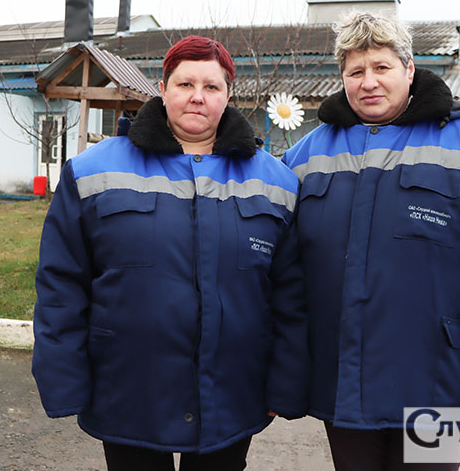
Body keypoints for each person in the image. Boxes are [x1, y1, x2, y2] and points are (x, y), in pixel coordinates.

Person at [32, 35, 309, 471]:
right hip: (129, 389)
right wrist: (63, 378)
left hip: (234, 391)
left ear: (228, 95)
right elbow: (61, 283)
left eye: (212, 86)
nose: (198, 97)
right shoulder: (92, 171)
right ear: (163, 90)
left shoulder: (277, 182)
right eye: (185, 84)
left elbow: (291, 295)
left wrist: (285, 382)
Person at [282, 12, 460, 470]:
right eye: (355, 71)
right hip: (344, 382)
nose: (369, 82)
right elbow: (286, 274)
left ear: (409, 69)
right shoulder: (303, 157)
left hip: (437, 385)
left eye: (381, 67)